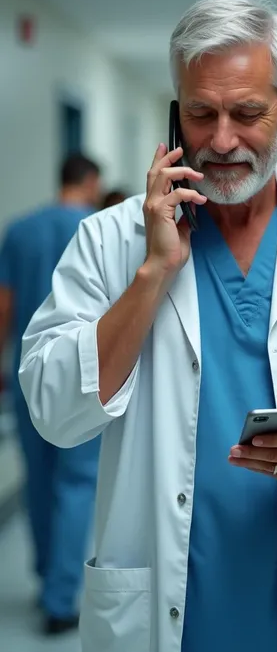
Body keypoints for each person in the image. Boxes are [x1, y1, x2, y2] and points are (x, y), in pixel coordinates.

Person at [19, 0, 277, 652]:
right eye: (200, 112)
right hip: (162, 605)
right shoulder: (109, 241)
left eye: (247, 113)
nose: (221, 140)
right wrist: (153, 271)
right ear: (175, 109)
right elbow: (53, 406)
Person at [0, 153, 103, 635]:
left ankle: (46, 580)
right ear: (91, 182)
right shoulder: (100, 229)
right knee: (76, 484)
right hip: (84, 377)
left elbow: (6, 305)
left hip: (27, 376)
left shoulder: (20, 230)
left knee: (37, 480)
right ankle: (62, 598)